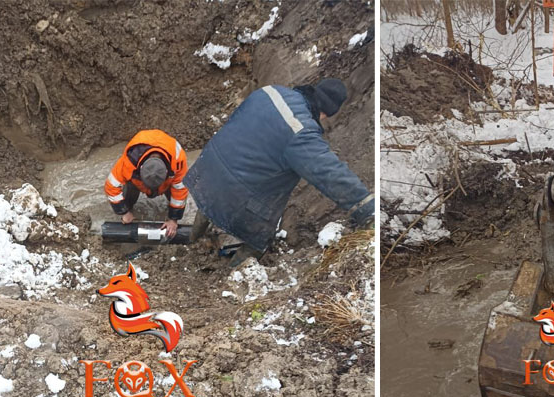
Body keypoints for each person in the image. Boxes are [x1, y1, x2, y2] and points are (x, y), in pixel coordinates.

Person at [184, 78, 374, 264]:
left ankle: (192, 240)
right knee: (260, 237)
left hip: (207, 168)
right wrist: (365, 206)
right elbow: (329, 173)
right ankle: (235, 276)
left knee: (211, 195)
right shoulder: (300, 131)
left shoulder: (270, 92)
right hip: (236, 192)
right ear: (326, 112)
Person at [104, 129, 188, 239]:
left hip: (167, 178)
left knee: (175, 193)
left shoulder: (177, 161)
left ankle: (170, 211)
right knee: (130, 189)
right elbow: (111, 186)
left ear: (167, 172)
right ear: (141, 168)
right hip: (137, 176)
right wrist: (124, 212)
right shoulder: (129, 162)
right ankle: (129, 209)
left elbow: (181, 190)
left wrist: (173, 219)